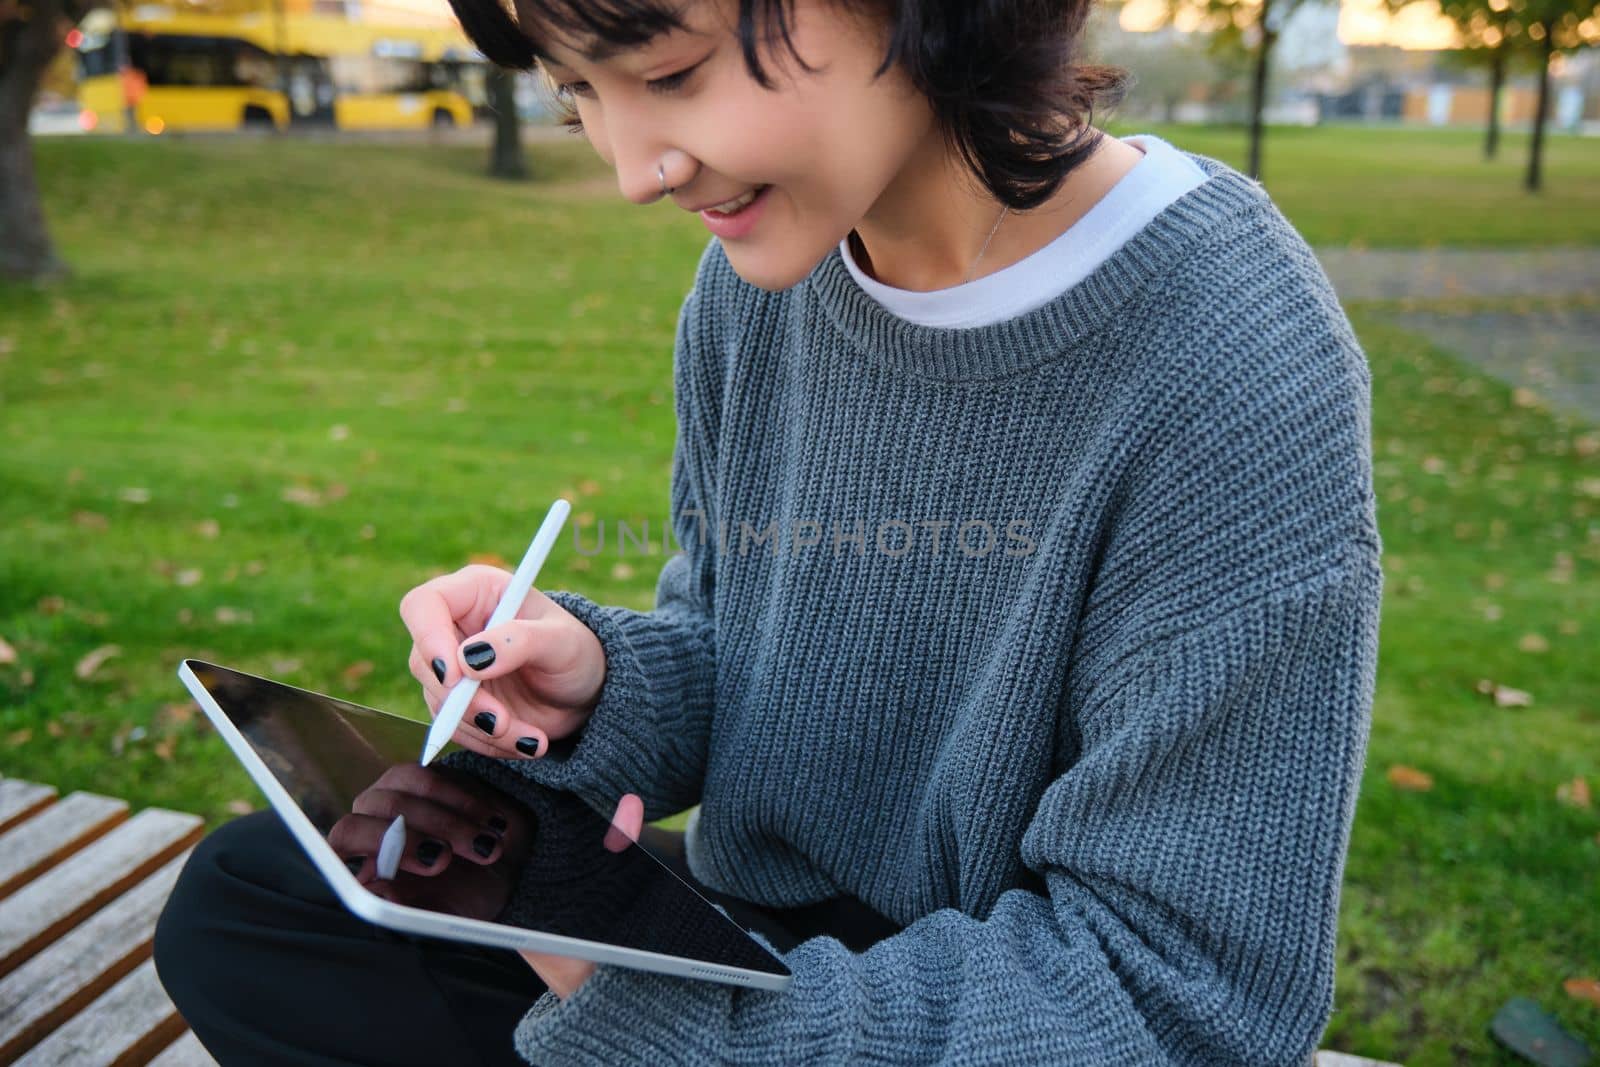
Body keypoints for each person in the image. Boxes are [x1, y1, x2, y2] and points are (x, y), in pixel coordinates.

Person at [153, 0, 1384, 1062]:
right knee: (251, 905)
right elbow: (741, 653)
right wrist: (594, 683)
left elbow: (1186, 994)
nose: (635, 168)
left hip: (1013, 1012)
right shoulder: (759, 286)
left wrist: (699, 1032)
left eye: (671, 72)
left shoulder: (1228, 352)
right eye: (579, 89)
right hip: (761, 934)